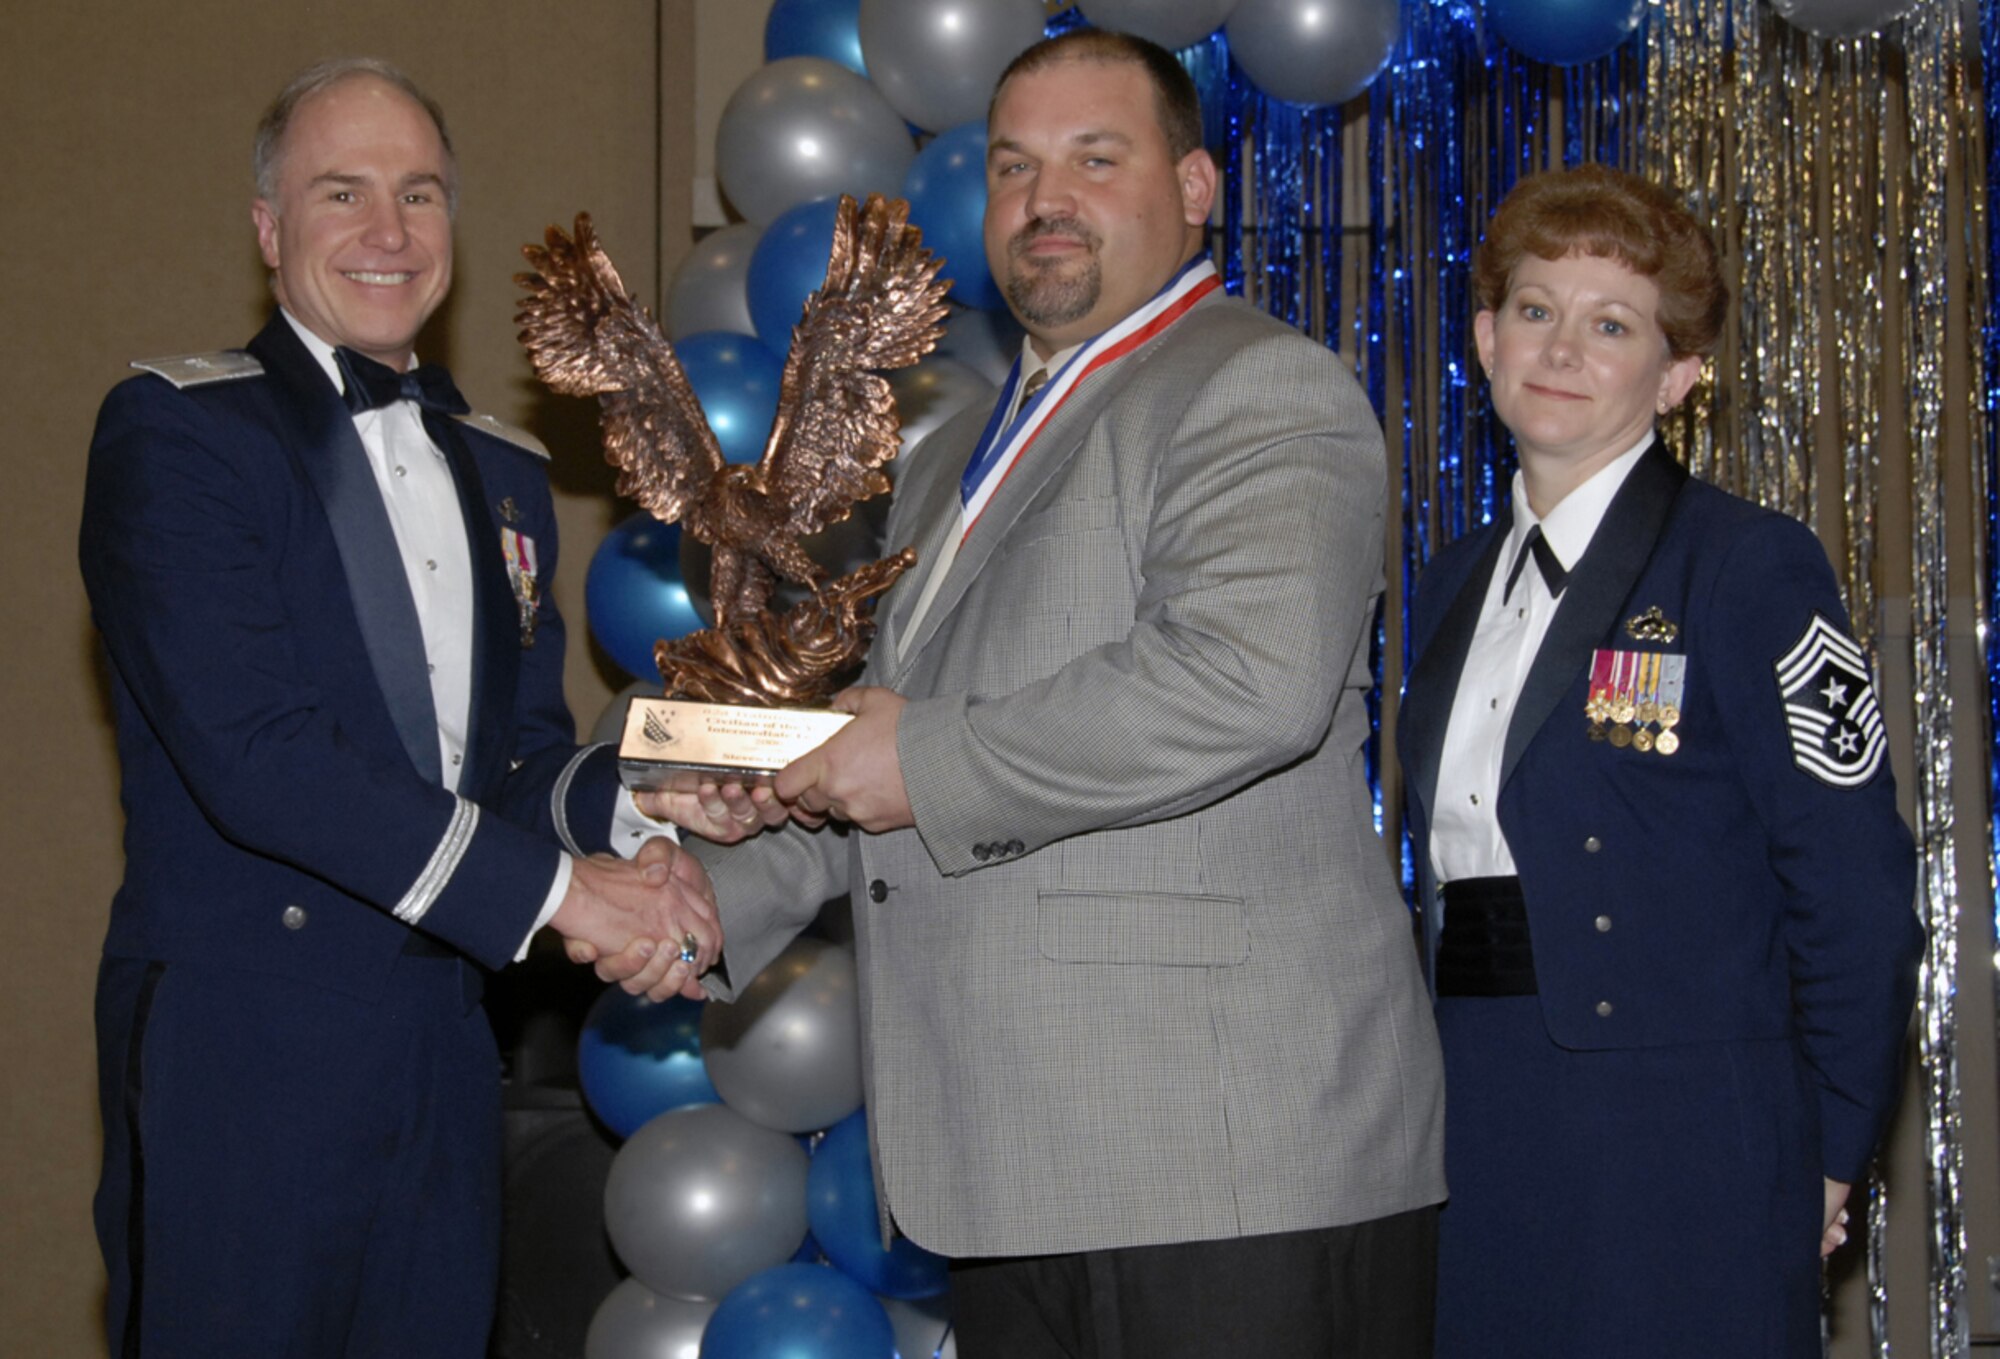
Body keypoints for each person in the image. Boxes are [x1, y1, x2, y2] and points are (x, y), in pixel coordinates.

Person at [661, 30, 1445, 1358]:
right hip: (1017, 1164)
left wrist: (912, 761)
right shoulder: (951, 451)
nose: (1046, 198)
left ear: (1196, 186)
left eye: (1098, 156)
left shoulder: (1260, 388)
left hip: (1224, 1165)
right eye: (1017, 164)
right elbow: (890, 747)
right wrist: (689, 897)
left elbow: (1245, 681)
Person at [79, 57, 736, 1358]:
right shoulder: (178, 434)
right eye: (344, 192)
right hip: (246, 1043)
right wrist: (565, 898)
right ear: (269, 229)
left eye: (421, 194)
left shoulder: (504, 470)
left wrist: (642, 819)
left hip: (442, 1043)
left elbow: (516, 758)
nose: (389, 232)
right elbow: (260, 759)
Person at [1397, 163, 1922, 1357]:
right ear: (1484, 336)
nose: (1562, 347)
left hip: (1682, 1135)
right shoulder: (1448, 581)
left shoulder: (1750, 568)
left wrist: (1831, 1149)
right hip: (1473, 1112)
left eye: (1612, 324)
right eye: (1535, 309)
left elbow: (1855, 893)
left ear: (1675, 376)